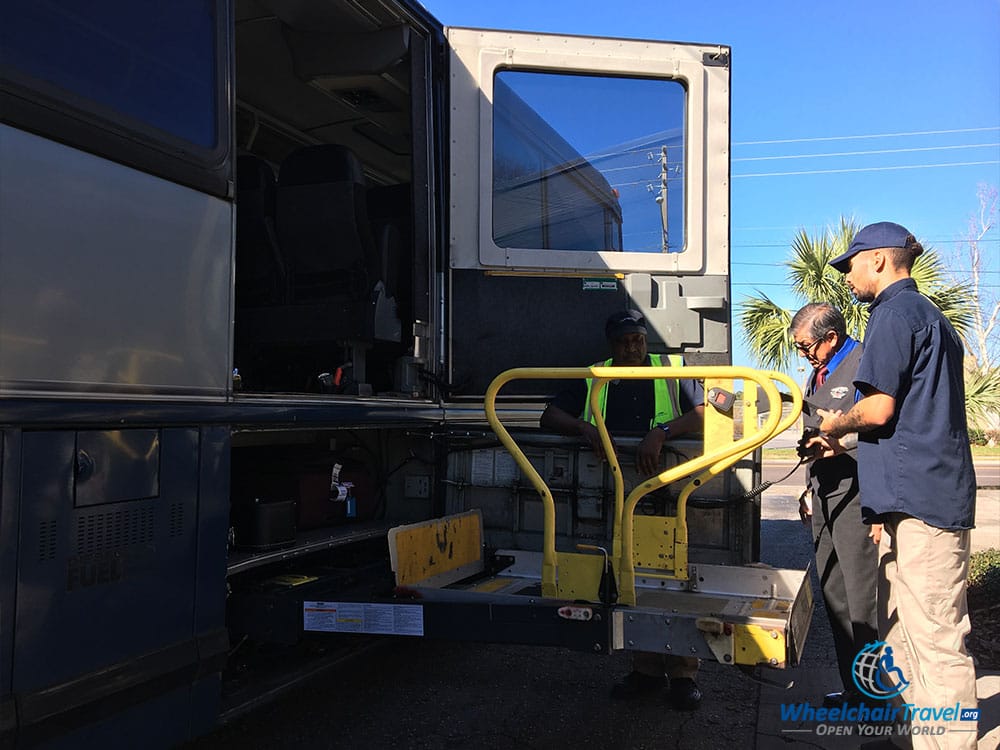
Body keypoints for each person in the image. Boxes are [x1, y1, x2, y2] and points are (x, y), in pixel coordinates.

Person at [817, 222, 977, 748]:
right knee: (902, 635)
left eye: (851, 265)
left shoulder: (892, 313)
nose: (848, 277)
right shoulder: (929, 316)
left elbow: (879, 409)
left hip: (925, 503)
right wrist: (884, 510)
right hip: (912, 503)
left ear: (880, 261)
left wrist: (835, 424)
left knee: (935, 640)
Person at [540, 309, 706, 710]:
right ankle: (645, 670)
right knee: (633, 574)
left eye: (638, 339)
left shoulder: (672, 368)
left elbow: (706, 412)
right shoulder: (595, 374)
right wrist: (586, 428)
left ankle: (683, 675)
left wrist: (661, 433)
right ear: (611, 345)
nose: (632, 347)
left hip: (668, 483)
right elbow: (549, 416)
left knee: (672, 575)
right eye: (624, 341)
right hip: (615, 486)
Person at [790, 302, 877, 708]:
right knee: (834, 594)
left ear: (831, 337)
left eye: (806, 346)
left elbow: (879, 427)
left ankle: (876, 697)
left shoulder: (864, 362)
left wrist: (840, 444)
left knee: (863, 602)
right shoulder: (817, 372)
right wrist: (808, 488)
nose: (803, 354)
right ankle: (854, 689)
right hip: (824, 494)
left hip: (857, 494)